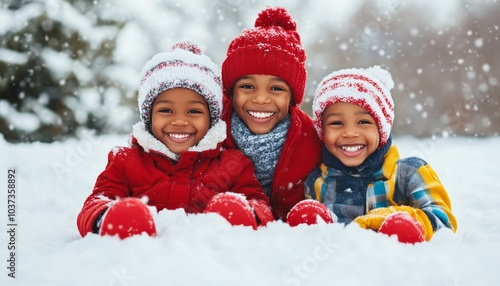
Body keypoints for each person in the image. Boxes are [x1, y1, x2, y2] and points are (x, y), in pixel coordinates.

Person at [77, 41, 273, 239]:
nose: (179, 121)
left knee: (229, 206)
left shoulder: (232, 165)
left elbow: (259, 204)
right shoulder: (126, 162)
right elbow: (96, 202)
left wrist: (246, 213)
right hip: (142, 260)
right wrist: (108, 216)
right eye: (166, 110)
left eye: (194, 111)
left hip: (209, 262)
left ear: (211, 119)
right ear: (149, 116)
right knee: (129, 212)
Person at [305, 65, 457, 243]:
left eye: (363, 122)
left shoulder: (408, 173)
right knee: (307, 214)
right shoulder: (317, 179)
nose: (350, 133)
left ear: (381, 130)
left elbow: (443, 219)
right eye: (337, 123)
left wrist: (399, 218)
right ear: (322, 131)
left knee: (400, 228)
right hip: (339, 267)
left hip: (395, 267)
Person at [221, 6, 323, 221]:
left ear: (292, 99)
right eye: (247, 87)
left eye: (276, 88)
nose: (260, 99)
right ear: (230, 93)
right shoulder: (214, 129)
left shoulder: (311, 136)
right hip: (228, 228)